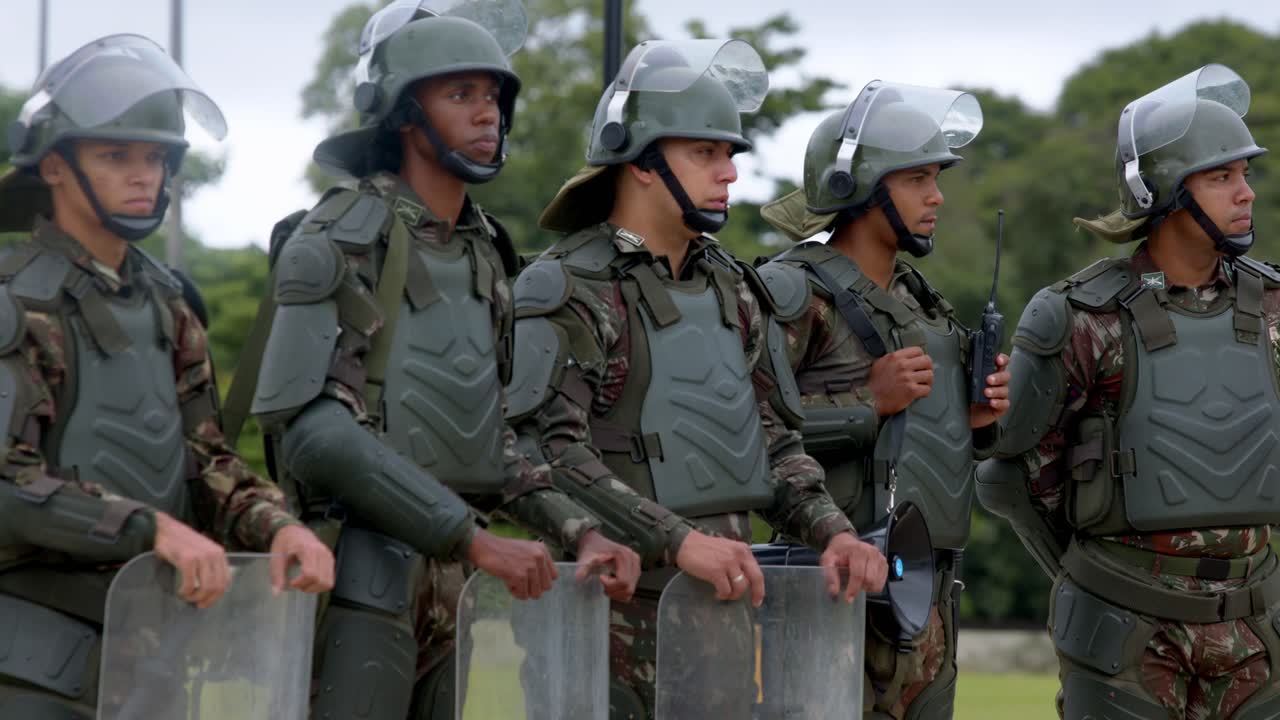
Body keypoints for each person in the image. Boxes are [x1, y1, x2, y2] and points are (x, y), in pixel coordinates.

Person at [225, 3, 641, 718]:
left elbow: (494, 438)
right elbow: (313, 434)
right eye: (460, 95)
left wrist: (582, 531)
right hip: (355, 577)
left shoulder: (485, 251)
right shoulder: (335, 241)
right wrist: (476, 541)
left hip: (455, 587)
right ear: (402, 114)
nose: (487, 114)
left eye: (492, 96)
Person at [505, 39, 887, 719]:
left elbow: (772, 439)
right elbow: (546, 452)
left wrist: (834, 532)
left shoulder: (731, 287)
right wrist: (678, 540)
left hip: (723, 616)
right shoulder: (565, 287)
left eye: (730, 154)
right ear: (643, 164)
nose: (729, 174)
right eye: (703, 153)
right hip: (609, 620)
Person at [0, 34, 334, 719]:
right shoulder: (13, 300)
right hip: (26, 654)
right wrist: (150, 528)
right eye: (116, 154)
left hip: (153, 644)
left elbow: (205, 460)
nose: (143, 174)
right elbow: (8, 484)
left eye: (155, 156)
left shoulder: (166, 301)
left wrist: (279, 526)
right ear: (56, 166)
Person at [977, 64, 1280, 719]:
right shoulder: (1081, 316)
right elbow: (1008, 473)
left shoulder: (1275, 306)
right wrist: (1085, 572)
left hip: (1259, 630)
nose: (1246, 193)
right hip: (1126, 633)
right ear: (1162, 190)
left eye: (1246, 174)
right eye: (1222, 176)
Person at [757, 81, 1010, 719]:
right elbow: (741, 435)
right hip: (831, 591)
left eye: (937, 177)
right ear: (858, 185)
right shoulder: (792, 293)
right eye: (918, 179)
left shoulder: (922, 301)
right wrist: (866, 403)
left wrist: (974, 422)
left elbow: (930, 442)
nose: (937, 196)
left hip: (930, 597)